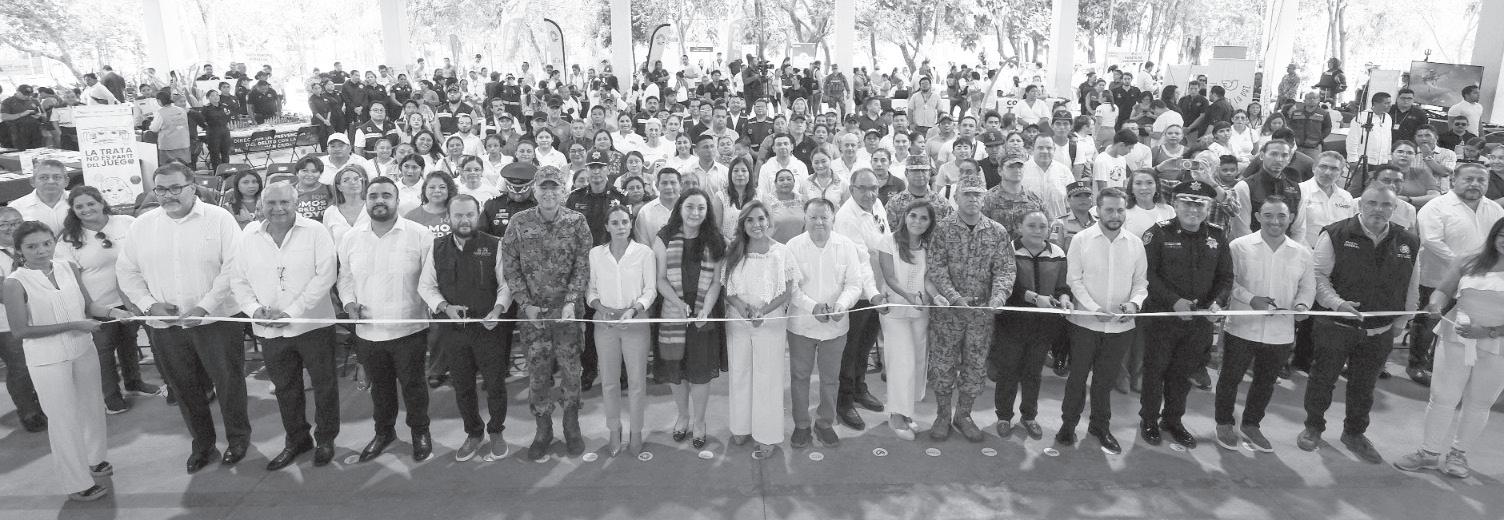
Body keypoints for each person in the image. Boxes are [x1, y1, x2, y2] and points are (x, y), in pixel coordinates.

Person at [116, 163, 247, 473]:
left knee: (228, 383)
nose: (168, 195)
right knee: (183, 388)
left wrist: (205, 307)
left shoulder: (219, 219)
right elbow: (127, 271)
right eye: (161, 189)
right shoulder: (142, 226)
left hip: (217, 321)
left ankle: (238, 439)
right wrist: (149, 305)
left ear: (193, 187)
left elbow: (235, 267)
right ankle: (202, 444)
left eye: (176, 188)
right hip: (166, 326)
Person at [4, 221, 126, 501]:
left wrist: (114, 312)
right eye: (32, 246)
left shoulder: (68, 267)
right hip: (47, 360)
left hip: (83, 349)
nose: (41, 250)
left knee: (92, 407)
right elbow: (20, 330)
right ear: (19, 250)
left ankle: (95, 459)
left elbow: (89, 306)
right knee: (63, 419)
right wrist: (74, 325)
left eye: (47, 243)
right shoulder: (15, 283)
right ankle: (76, 483)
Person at [1299, 184, 1419, 464]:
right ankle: (1313, 427)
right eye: (1372, 203)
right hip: (1336, 326)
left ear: (1395, 208)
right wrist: (1337, 303)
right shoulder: (1335, 233)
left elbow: (1412, 284)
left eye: (1386, 205)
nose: (1379, 209)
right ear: (1359, 205)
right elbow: (1317, 276)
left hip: (1380, 330)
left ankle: (1354, 433)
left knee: (1364, 387)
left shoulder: (1408, 241)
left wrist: (1403, 320)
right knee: (1322, 380)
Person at [226, 183, 340, 470]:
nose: (278, 208)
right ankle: (297, 439)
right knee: (285, 388)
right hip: (270, 329)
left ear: (296, 203)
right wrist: (254, 310)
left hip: (313, 325)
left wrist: (292, 312)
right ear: (261, 205)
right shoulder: (248, 236)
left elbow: (326, 276)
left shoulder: (316, 231)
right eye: (271, 203)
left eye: (284, 202)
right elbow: (238, 280)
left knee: (324, 386)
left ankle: (326, 439)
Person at [1394, 217, 1504, 478]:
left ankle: (1459, 453)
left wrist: (1489, 332)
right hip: (1456, 336)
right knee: (1442, 396)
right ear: (1494, 234)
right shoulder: (1469, 260)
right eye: (1502, 235)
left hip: (1498, 345)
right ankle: (1428, 452)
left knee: (1479, 402)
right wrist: (1435, 303)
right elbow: (1443, 290)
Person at [339, 176, 435, 463]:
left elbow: (429, 280)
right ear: (366, 201)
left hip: (409, 328)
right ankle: (384, 432)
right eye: (373, 196)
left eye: (386, 195)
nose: (379, 201)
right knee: (380, 389)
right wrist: (348, 303)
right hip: (368, 331)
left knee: (413, 386)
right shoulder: (351, 238)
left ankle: (420, 431)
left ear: (397, 200)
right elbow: (345, 278)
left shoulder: (419, 235)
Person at [501, 166, 594, 462]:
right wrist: (525, 304)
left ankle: (571, 425)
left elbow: (583, 265)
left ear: (563, 191)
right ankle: (543, 429)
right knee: (538, 375)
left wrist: (571, 301)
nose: (549, 192)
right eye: (544, 187)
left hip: (568, 314)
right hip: (534, 316)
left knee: (571, 371)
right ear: (534, 190)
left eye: (555, 187)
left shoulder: (577, 221)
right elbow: (510, 267)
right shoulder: (519, 222)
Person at [417, 194, 513, 462]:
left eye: (469, 214)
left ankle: (496, 430)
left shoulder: (495, 245)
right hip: (454, 331)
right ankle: (473, 432)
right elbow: (426, 286)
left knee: (495, 384)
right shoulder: (436, 247)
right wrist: (444, 307)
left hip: (489, 328)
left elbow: (506, 285)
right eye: (458, 215)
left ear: (478, 214)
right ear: (448, 217)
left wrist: (498, 310)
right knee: (462, 386)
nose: (464, 220)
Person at [1136, 180, 1232, 449]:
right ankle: (1149, 420)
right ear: (1175, 205)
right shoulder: (1158, 233)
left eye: (1200, 204)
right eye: (1187, 203)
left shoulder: (1217, 236)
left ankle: (1173, 420)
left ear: (1208, 208)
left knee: (1183, 373)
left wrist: (1216, 304)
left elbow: (1226, 277)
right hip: (1162, 318)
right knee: (1155, 372)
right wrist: (1174, 301)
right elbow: (1146, 274)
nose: (1193, 209)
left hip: (1198, 322)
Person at [1217, 195, 1313, 452]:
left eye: (1281, 216)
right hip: (1242, 327)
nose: (1275, 221)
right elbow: (1227, 281)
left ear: (1291, 218)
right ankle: (1224, 423)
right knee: (1230, 378)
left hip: (1280, 332)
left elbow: (1307, 287)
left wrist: (1302, 306)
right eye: (1268, 215)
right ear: (1258, 216)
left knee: (1266, 381)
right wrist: (1251, 299)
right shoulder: (1239, 246)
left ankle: (1252, 424)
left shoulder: (1302, 253)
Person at [925, 170, 1015, 442]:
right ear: (956, 196)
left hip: (981, 315)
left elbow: (1005, 269)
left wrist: (999, 297)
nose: (973, 199)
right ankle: (942, 415)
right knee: (943, 364)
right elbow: (936, 267)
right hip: (948, 314)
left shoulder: (997, 232)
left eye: (978, 194)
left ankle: (963, 415)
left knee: (975, 366)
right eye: (967, 194)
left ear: (984, 197)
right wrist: (954, 297)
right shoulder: (943, 229)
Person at [1058, 187, 1148, 455]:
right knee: (1077, 378)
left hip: (1120, 327)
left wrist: (1134, 304)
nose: (1115, 215)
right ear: (1098, 210)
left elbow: (1140, 283)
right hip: (1085, 324)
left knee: (1105, 381)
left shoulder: (1135, 244)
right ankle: (1068, 425)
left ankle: (1100, 426)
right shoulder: (1081, 240)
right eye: (1109, 210)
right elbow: (1074, 280)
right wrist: (1093, 308)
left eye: (1120, 210)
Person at [55, 188, 158, 415]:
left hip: (133, 299)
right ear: (73, 210)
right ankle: (111, 395)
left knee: (129, 342)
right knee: (104, 351)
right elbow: (72, 280)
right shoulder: (68, 239)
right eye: (79, 207)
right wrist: (88, 307)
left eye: (91, 203)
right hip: (99, 304)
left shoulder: (126, 223)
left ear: (102, 202)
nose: (86, 209)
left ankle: (134, 382)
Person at [786, 197, 871, 448]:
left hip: (836, 325)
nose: (819, 222)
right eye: (813, 217)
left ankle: (825, 422)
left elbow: (854, 284)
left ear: (833, 218)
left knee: (830, 378)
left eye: (824, 217)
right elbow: (791, 288)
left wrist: (842, 305)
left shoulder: (846, 246)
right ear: (805, 218)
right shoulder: (792, 246)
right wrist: (812, 307)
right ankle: (801, 425)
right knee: (799, 377)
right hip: (801, 325)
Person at [1410, 164, 1504, 386]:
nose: (1475, 184)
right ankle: (1417, 364)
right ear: (1454, 180)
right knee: (1429, 321)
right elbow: (1432, 241)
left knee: (1463, 324)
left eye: (1481, 180)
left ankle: (1441, 363)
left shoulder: (1495, 209)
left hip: (1480, 284)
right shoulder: (1435, 207)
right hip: (1438, 277)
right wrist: (1465, 268)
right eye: (1469, 179)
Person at [652, 188, 727, 449]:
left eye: (701, 208)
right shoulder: (664, 237)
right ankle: (683, 416)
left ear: (708, 212)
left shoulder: (716, 240)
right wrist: (678, 303)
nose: (695, 213)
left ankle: (700, 421)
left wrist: (705, 309)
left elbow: (716, 282)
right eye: (690, 207)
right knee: (677, 369)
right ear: (680, 208)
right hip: (673, 309)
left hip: (704, 309)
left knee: (700, 372)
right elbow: (660, 279)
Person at [721, 201, 797, 457]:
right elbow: (727, 288)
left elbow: (786, 291)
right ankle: (741, 425)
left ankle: (767, 434)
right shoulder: (734, 251)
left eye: (761, 219)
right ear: (743, 224)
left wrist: (762, 312)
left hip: (770, 321)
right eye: (750, 220)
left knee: (768, 377)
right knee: (740, 372)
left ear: (768, 221)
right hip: (738, 320)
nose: (756, 225)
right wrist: (742, 308)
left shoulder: (782, 252)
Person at [989, 209, 1068, 440]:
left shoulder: (1057, 253)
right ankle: (1004, 416)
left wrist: (1064, 297)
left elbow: (1062, 286)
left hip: (1043, 326)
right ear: (1019, 227)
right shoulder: (1007, 250)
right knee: (1008, 372)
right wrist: (1034, 298)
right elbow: (1004, 285)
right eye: (1031, 226)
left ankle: (1029, 415)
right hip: (1011, 325)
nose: (1037, 231)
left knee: (1033, 373)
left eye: (1042, 226)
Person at [586, 205, 657, 457]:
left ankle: (636, 431)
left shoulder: (644, 253)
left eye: (625, 222)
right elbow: (591, 290)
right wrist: (600, 308)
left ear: (631, 224)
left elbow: (650, 290)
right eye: (614, 223)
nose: (620, 227)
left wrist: (634, 310)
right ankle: (614, 429)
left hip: (635, 323)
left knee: (637, 382)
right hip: (604, 324)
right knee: (608, 381)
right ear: (606, 226)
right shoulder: (595, 254)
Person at [831, 169, 892, 430]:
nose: (870, 194)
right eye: (863, 189)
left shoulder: (877, 204)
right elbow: (860, 261)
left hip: (877, 289)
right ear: (852, 189)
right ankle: (844, 400)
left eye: (874, 188)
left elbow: (885, 241)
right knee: (850, 347)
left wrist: (885, 286)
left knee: (866, 344)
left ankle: (859, 387)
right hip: (857, 292)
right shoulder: (846, 217)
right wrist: (874, 294)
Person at [0, 209, 45, 432]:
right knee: (20, 368)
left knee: (40, 363)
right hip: (7, 324)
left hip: (39, 317)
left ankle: (44, 404)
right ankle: (29, 412)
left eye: (16, 223)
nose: (11, 228)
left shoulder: (30, 248)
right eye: (4, 224)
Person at [13, 160, 73, 233]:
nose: (51, 181)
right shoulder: (17, 208)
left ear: (66, 181)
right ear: (32, 181)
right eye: (44, 177)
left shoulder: (79, 201)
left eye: (57, 177)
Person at [323, 166, 370, 245]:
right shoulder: (330, 212)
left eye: (356, 179)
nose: (353, 182)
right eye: (346, 180)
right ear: (339, 187)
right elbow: (328, 244)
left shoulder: (371, 207)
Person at [1287, 93, 1332, 159]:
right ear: (1304, 100)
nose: (1312, 100)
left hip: (1314, 147)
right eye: (1309, 98)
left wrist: (1319, 138)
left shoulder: (1324, 113)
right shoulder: (1296, 113)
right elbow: (1290, 126)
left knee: (1313, 164)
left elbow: (1328, 128)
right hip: (1297, 147)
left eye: (1314, 98)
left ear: (1318, 100)